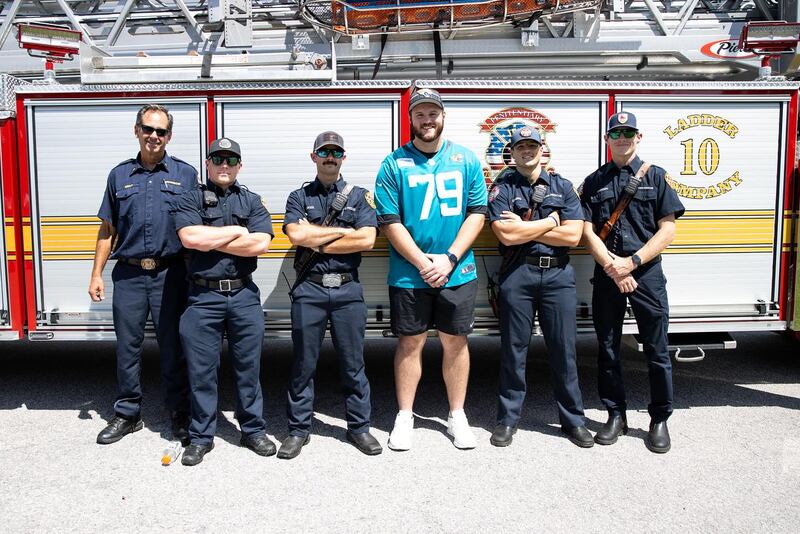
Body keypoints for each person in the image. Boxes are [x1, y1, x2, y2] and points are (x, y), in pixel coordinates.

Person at [375, 88, 488, 450]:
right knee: (411, 343)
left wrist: (450, 258)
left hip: (457, 271)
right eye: (420, 114)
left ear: (443, 116)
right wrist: (425, 263)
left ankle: (457, 415)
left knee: (456, 343)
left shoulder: (466, 160)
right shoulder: (393, 163)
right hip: (411, 273)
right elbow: (389, 220)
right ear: (410, 119)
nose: (427, 120)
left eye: (433, 113)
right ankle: (405, 416)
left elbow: (477, 213)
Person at [90, 104, 196, 446]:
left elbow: (197, 228)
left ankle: (179, 412)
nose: (154, 136)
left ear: (169, 136)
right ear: (136, 130)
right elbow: (107, 230)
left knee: (173, 347)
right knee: (128, 349)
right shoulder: (118, 176)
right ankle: (127, 413)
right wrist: (97, 274)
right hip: (130, 275)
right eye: (148, 129)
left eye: (161, 131)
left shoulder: (186, 174)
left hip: (172, 274)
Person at [581, 112, 685, 454]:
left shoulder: (655, 176)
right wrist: (613, 265)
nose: (621, 138)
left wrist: (633, 262)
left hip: (647, 274)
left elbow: (667, 228)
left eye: (628, 132)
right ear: (607, 139)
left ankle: (659, 419)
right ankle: (615, 415)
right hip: (608, 274)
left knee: (656, 350)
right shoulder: (594, 181)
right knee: (608, 349)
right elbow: (585, 230)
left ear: (638, 137)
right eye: (616, 133)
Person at [488, 127, 593, 448]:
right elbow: (506, 235)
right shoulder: (502, 188)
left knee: (564, 351)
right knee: (513, 351)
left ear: (542, 149)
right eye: (520, 146)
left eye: (532, 145)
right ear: (512, 152)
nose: (527, 151)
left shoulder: (563, 187)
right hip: (518, 275)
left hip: (558, 277)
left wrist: (525, 228)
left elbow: (573, 237)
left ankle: (573, 421)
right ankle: (507, 420)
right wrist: (550, 222)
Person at [278, 131, 382, 459]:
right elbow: (296, 233)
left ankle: (359, 428)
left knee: (353, 363)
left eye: (336, 152)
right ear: (314, 157)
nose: (330, 157)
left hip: (348, 290)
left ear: (343, 157)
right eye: (324, 151)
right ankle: (298, 430)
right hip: (309, 287)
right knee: (303, 364)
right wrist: (342, 231)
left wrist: (316, 235)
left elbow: (366, 240)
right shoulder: (298, 196)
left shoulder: (360, 196)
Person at [172, 137, 275, 466]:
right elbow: (189, 237)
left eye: (231, 160)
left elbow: (260, 245)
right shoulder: (189, 198)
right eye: (218, 159)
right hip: (203, 297)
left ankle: (253, 430)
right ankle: (201, 436)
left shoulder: (253, 200)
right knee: (202, 372)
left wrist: (211, 239)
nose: (224, 165)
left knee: (249, 369)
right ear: (208, 164)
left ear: (240, 166)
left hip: (244, 295)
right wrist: (237, 232)